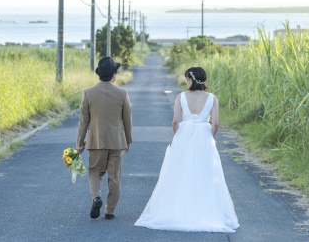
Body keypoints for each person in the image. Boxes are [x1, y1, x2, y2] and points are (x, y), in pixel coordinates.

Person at [135, 66, 239, 232]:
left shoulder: (181, 97)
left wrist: (177, 137)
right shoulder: (212, 98)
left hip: (184, 134)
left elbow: (175, 121)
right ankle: (205, 210)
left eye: (186, 78)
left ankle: (177, 209)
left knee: (179, 172)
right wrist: (211, 138)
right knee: (205, 173)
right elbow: (216, 123)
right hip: (204, 135)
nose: (185, 81)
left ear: (190, 79)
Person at [76, 56, 132, 220]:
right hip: (117, 141)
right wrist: (128, 140)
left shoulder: (88, 93)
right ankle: (110, 210)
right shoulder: (122, 93)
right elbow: (127, 119)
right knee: (114, 177)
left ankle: (96, 197)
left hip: (96, 141)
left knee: (95, 172)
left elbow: (83, 121)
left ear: (100, 74)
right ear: (114, 75)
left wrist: (80, 142)